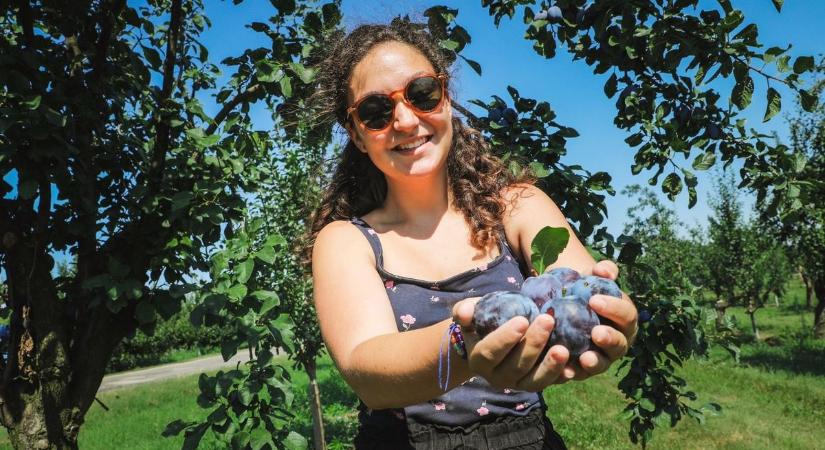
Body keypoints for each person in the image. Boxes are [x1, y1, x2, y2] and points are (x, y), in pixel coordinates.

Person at [306, 20, 638, 449]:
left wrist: (610, 314)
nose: (405, 120)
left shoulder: (517, 207)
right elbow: (367, 369)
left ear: (446, 99)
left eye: (422, 93)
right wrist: (468, 343)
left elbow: (578, 287)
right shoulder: (347, 240)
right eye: (375, 111)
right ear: (356, 133)